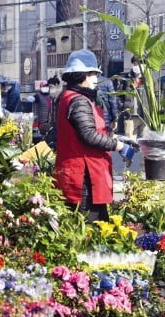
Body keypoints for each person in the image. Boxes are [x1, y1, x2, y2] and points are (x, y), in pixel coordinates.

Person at [53, 49, 136, 222]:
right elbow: (89, 134)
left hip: (82, 171)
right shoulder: (78, 100)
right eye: (92, 75)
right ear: (82, 75)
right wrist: (118, 146)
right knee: (88, 225)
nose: (96, 79)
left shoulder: (71, 97)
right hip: (82, 175)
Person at [123, 56, 148, 141]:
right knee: (129, 142)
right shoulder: (127, 79)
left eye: (139, 64)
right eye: (134, 64)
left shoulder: (149, 79)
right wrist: (124, 108)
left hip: (145, 116)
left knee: (147, 144)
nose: (137, 66)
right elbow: (119, 95)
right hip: (131, 116)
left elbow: (156, 95)